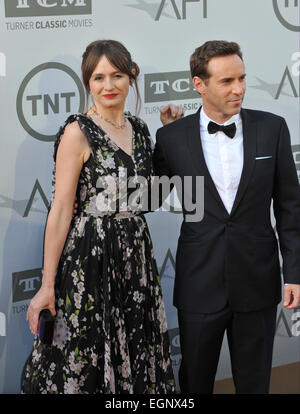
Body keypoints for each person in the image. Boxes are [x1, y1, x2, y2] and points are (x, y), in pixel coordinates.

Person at [21, 39, 180, 394]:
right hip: (89, 258)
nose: (108, 86)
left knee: (135, 347)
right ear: (87, 83)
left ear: (132, 77)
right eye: (98, 78)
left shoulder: (139, 129)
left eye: (117, 75)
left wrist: (168, 135)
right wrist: (47, 285)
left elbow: (148, 199)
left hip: (134, 256)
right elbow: (61, 209)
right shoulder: (77, 132)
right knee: (86, 352)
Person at [153, 40, 300, 394]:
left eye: (242, 78)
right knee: (195, 383)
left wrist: (293, 273)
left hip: (257, 282)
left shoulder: (273, 128)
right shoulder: (171, 137)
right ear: (199, 84)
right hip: (199, 284)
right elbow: (150, 196)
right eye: (227, 81)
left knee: (255, 384)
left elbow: (290, 207)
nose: (239, 89)